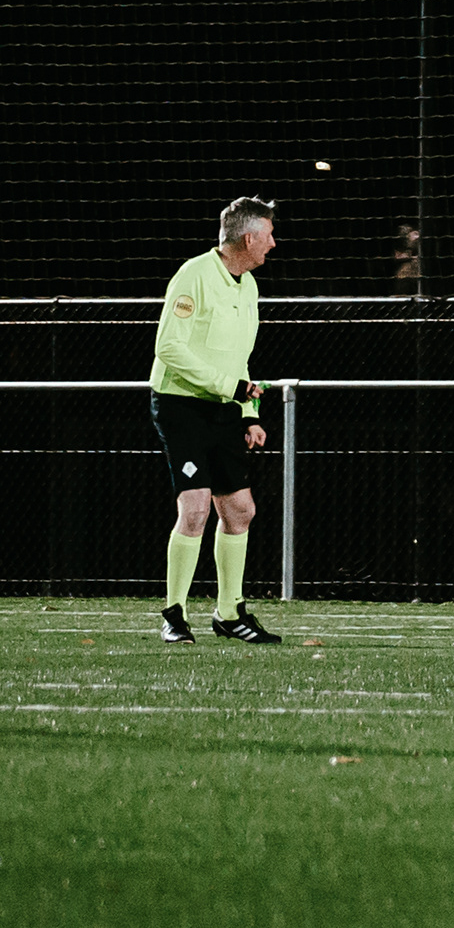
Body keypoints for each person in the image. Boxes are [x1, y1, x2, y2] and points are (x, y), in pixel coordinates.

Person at [150, 197, 285, 646]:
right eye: (268, 234)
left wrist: (248, 413)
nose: (273, 243)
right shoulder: (194, 274)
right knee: (195, 509)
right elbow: (169, 348)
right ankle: (173, 615)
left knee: (240, 510)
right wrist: (230, 386)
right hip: (181, 404)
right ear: (248, 238)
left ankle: (229, 614)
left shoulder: (248, 285)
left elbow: (240, 357)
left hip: (225, 404)